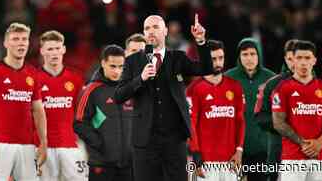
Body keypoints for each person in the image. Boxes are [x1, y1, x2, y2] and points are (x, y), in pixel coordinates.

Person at [114, 14, 214, 181]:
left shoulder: (178, 58)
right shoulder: (132, 61)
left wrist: (201, 41)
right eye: (147, 28)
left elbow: (206, 69)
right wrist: (140, 79)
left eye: (155, 27)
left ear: (165, 31)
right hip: (144, 142)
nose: (151, 32)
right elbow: (118, 95)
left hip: (174, 141)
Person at [0, 23, 47, 181]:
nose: (21, 43)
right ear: (6, 43)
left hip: (28, 146)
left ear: (29, 43)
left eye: (24, 39)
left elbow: (38, 110)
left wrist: (43, 142)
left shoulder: (33, 73)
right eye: (15, 39)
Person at [74, 45, 134, 181]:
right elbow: (79, 123)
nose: (117, 71)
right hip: (101, 165)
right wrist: (100, 143)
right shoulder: (91, 90)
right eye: (113, 66)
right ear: (103, 63)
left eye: (121, 67)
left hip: (129, 165)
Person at [188, 40, 245, 181]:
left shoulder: (235, 87)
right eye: (213, 59)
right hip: (205, 163)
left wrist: (239, 150)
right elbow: (190, 125)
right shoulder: (193, 89)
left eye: (221, 58)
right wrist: (196, 156)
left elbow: (240, 121)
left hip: (231, 162)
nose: (218, 63)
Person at [272, 40, 322, 181]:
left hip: (320, 157)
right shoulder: (281, 89)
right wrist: (303, 143)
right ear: (293, 61)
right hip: (292, 158)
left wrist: (320, 142)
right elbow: (278, 123)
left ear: (314, 60)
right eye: (299, 58)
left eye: (307, 58)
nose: (303, 63)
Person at [36, 30, 87, 181]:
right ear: (42, 51)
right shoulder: (33, 79)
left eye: (58, 48)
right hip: (42, 147)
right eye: (50, 49)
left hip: (71, 145)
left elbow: (84, 111)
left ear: (63, 49)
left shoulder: (76, 78)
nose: (54, 53)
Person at [224, 38, 275, 181]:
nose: (249, 58)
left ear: (259, 55)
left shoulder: (271, 79)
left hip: (263, 148)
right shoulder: (228, 78)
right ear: (239, 57)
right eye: (245, 54)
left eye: (253, 54)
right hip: (235, 150)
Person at [254, 39, 298, 181]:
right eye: (290, 59)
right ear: (285, 59)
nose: (294, 63)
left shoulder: (319, 87)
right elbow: (259, 116)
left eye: (297, 58)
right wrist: (282, 125)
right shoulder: (272, 85)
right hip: (278, 154)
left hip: (310, 155)